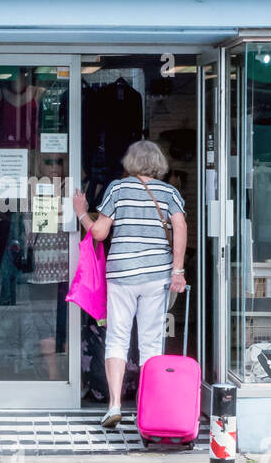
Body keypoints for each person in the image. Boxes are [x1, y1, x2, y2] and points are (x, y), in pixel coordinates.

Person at [72, 139, 187, 428]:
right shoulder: (169, 192)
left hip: (122, 274)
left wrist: (82, 213)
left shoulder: (118, 188)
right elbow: (181, 227)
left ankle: (113, 405)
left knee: (117, 339)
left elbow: (99, 233)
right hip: (156, 275)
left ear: (130, 162)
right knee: (150, 342)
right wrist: (178, 270)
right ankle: (151, 407)